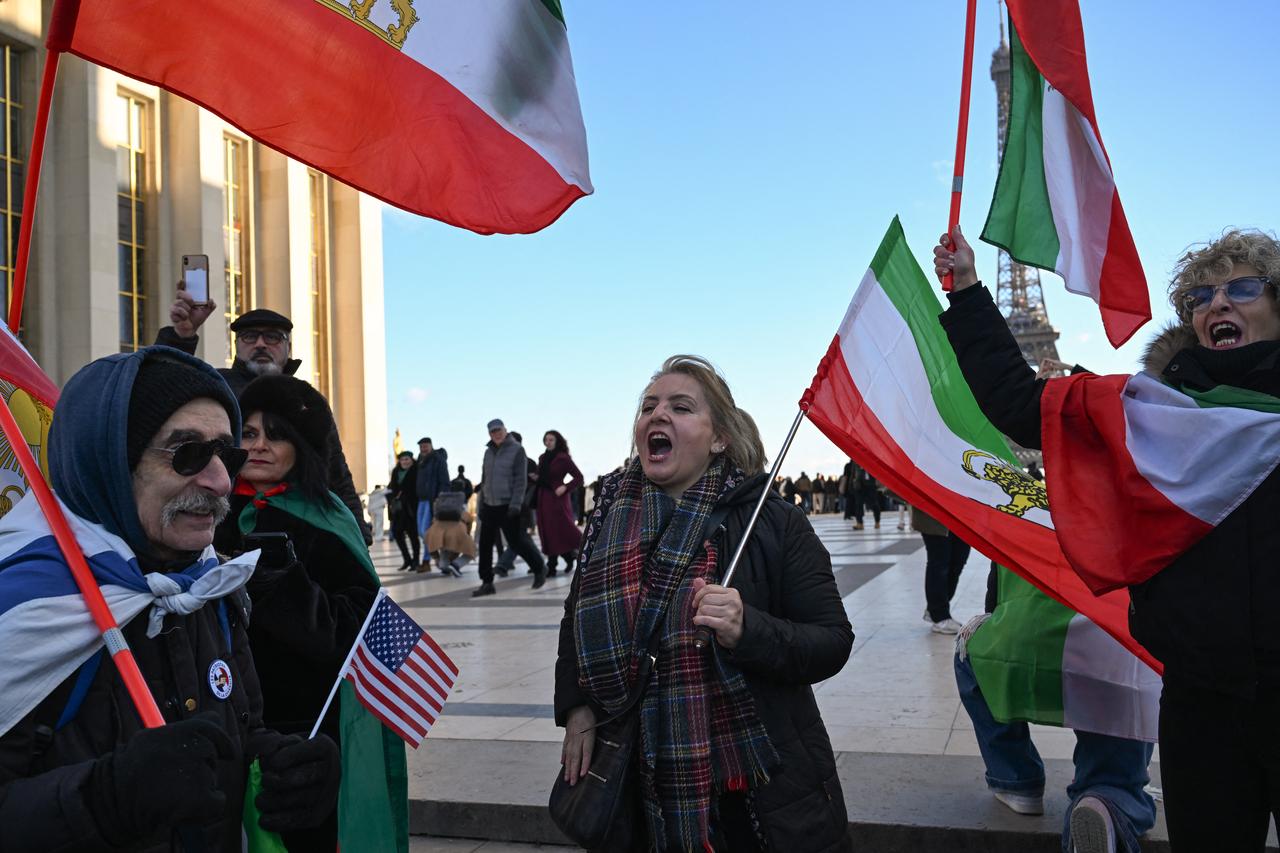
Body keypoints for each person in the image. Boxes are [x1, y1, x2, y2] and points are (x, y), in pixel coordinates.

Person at [934, 225, 1280, 851]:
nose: (1218, 303)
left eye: (1242, 288)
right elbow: (1021, 404)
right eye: (1201, 297)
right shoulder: (1152, 413)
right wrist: (968, 290)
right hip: (1202, 699)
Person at [0, 346, 339, 850]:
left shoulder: (209, 586)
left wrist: (284, 765)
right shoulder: (22, 608)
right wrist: (103, 801)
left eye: (227, 454)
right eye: (187, 453)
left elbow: (241, 728)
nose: (222, 481)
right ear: (107, 463)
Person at [556, 355, 853, 852]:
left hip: (754, 788)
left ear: (719, 438)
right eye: (649, 406)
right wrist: (577, 707)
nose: (658, 415)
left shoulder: (773, 522)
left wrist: (747, 630)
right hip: (630, 778)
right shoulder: (609, 517)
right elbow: (574, 620)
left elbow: (832, 640)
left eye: (681, 407)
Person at [214, 375, 404, 850]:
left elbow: (356, 629)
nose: (259, 446)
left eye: (275, 434)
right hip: (221, 723)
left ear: (300, 445)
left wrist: (281, 588)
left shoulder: (324, 515)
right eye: (249, 433)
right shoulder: (205, 510)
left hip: (304, 730)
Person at [954, 567, 1159, 853]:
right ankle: (1108, 798)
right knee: (1130, 661)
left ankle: (1016, 780)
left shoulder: (1026, 519)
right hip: (1110, 649)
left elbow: (994, 600)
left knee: (968, 652)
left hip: (1023, 649)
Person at [157, 297, 372, 544]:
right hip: (225, 524)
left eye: (272, 337)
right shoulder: (216, 384)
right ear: (236, 345)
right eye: (250, 337)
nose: (260, 344)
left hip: (300, 527)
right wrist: (181, 337)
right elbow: (162, 390)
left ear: (287, 346)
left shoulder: (307, 401)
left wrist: (358, 535)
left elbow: (335, 471)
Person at [474, 420, 547, 596]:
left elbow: (521, 480)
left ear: (505, 430)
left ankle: (539, 568)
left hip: (508, 505)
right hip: (490, 505)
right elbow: (485, 479)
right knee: (485, 545)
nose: (496, 434)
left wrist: (515, 504)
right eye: (492, 432)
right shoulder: (487, 452)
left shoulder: (517, 450)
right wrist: (482, 503)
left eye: (498, 430)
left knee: (516, 542)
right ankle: (487, 582)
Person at [911, 505, 968, 634]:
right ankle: (940, 616)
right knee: (939, 563)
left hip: (961, 512)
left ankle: (934, 609)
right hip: (934, 512)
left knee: (958, 560)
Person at [535, 430, 585, 576]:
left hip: (557, 500)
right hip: (543, 499)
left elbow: (579, 477)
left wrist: (565, 487)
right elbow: (542, 477)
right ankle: (566, 558)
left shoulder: (563, 458)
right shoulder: (542, 458)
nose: (548, 442)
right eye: (546, 439)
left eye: (551, 440)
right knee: (547, 532)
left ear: (557, 441)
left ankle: (557, 563)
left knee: (562, 531)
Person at [415, 437, 450, 555]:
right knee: (421, 531)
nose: (423, 449)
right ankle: (433, 552)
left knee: (425, 530)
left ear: (431, 446)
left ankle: (430, 557)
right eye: (421, 447)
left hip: (432, 500)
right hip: (421, 500)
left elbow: (445, 481)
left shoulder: (438, 460)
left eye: (425, 446)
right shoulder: (420, 461)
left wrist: (440, 499)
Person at [387, 451, 420, 570]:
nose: (405, 462)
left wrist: (404, 493)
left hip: (411, 507)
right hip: (398, 509)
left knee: (412, 535)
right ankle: (407, 559)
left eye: (407, 459)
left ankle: (415, 561)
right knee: (397, 533)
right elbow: (392, 487)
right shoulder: (396, 472)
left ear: (411, 460)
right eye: (402, 460)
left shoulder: (416, 470)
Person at [425, 505, 476, 578]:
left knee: (443, 561)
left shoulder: (437, 516)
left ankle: (444, 566)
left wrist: (436, 558)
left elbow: (431, 542)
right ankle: (456, 564)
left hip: (440, 537)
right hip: (457, 534)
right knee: (474, 550)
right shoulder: (465, 514)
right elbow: (467, 534)